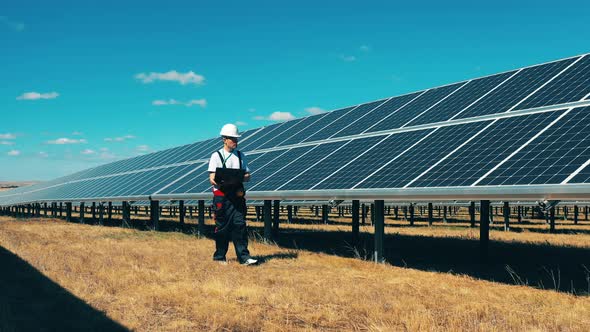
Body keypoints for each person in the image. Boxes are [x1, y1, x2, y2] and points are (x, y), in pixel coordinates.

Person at [208, 123, 258, 265]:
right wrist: (223, 179)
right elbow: (212, 178)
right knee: (222, 227)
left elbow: (248, 175)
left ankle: (244, 257)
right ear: (224, 139)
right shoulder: (216, 155)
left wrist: (240, 177)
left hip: (237, 195)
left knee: (239, 225)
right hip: (222, 196)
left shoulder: (241, 156)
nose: (235, 141)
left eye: (236, 139)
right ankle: (219, 257)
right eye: (232, 139)